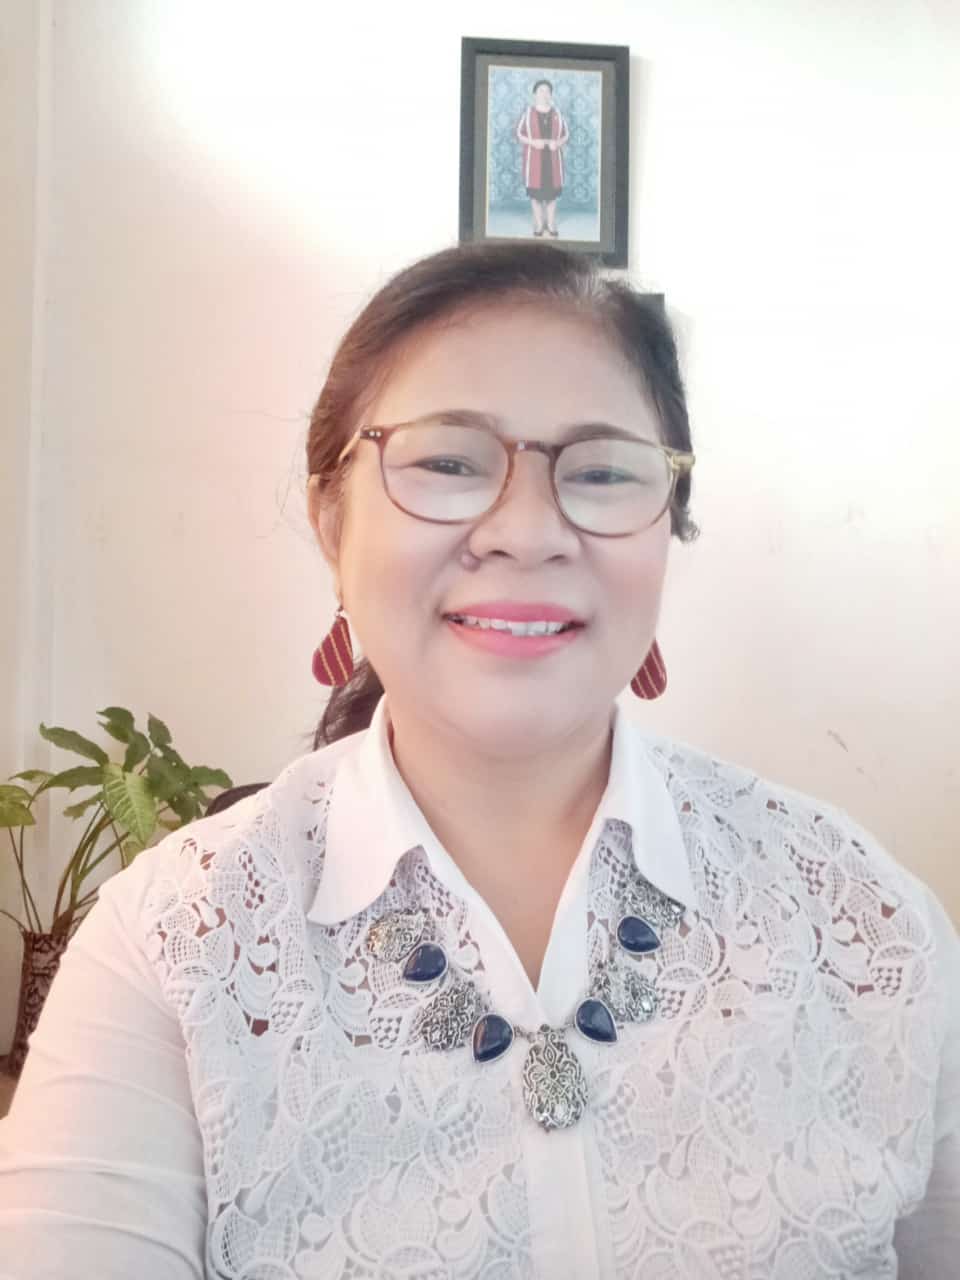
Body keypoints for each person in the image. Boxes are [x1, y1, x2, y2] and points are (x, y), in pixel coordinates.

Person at [0, 241, 957, 1278]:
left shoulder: (864, 922)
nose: (527, 531)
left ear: (668, 525)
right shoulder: (174, 950)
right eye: (449, 463)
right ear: (330, 517)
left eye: (602, 472)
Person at [516, 79, 569, 238]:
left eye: (547, 91)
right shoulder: (527, 113)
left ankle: (551, 223)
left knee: (552, 195)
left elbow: (566, 134)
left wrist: (558, 143)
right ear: (535, 94)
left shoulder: (557, 113)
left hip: (553, 159)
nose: (544, 94)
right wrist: (533, 142)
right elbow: (519, 133)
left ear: (551, 94)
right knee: (536, 195)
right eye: (541, 91)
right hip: (534, 159)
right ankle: (539, 224)